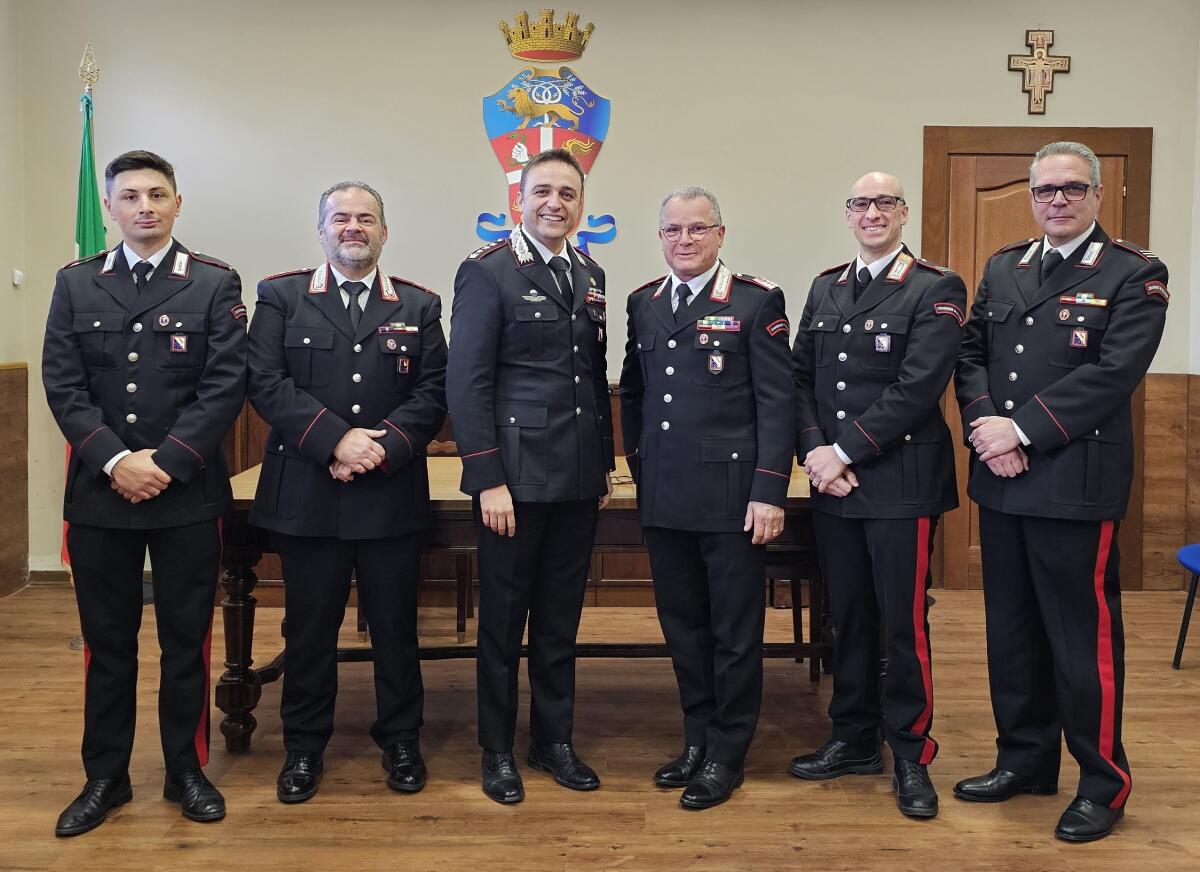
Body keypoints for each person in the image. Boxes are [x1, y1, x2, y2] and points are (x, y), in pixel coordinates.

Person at [954, 141, 1168, 842]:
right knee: (1012, 632)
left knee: (1081, 640)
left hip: (1074, 482)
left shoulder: (1133, 272)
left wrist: (1019, 431)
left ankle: (1104, 783)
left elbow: (1113, 373)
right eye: (1045, 189)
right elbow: (970, 354)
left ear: (1098, 195)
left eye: (1072, 188)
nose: (1057, 200)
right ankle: (1024, 759)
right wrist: (987, 429)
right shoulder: (1004, 266)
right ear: (1032, 197)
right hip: (1001, 477)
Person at [42, 150, 246, 836]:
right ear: (110, 208)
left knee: (186, 642)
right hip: (102, 493)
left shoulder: (213, 282)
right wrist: (115, 461)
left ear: (177, 203)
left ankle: (187, 770)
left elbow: (225, 385)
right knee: (108, 644)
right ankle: (106, 776)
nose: (144, 207)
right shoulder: (76, 283)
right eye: (129, 196)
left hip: (185, 491)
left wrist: (166, 462)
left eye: (157, 195)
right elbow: (63, 383)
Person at [247, 181, 447, 803]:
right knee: (309, 631)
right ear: (321, 230)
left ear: (385, 232)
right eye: (340, 218)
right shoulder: (281, 297)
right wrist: (335, 441)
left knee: (396, 629)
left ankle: (402, 741)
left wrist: (379, 447)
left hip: (389, 492)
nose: (352, 227)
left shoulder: (419, 304)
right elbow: (265, 380)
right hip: (309, 492)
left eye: (365, 218)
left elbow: (435, 391)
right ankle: (304, 748)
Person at [789, 172, 965, 819]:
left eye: (884, 202)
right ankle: (854, 738)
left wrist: (842, 452)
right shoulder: (827, 286)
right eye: (861, 203)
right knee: (849, 617)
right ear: (847, 214)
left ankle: (912, 753)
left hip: (899, 483)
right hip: (834, 485)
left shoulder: (934, 287)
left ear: (903, 212)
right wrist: (816, 451)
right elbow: (799, 377)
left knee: (902, 624)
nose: (872, 213)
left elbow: (918, 388)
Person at [618, 186, 794, 809]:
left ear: (721, 234)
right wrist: (640, 467)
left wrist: (769, 490)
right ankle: (697, 736)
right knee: (683, 626)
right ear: (660, 237)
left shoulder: (755, 300)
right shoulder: (643, 302)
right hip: (665, 494)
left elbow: (777, 401)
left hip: (731, 497)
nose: (684, 240)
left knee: (734, 632)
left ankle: (727, 752)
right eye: (673, 230)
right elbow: (635, 393)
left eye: (697, 229)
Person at [447, 148, 614, 804]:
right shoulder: (486, 270)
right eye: (542, 191)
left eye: (567, 193)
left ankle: (554, 740)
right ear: (520, 198)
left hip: (576, 476)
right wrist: (487, 477)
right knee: (502, 622)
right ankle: (497, 749)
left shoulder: (589, 271)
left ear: (581, 204)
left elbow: (591, 378)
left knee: (559, 620)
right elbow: (468, 382)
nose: (555, 203)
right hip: (513, 483)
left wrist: (604, 464)